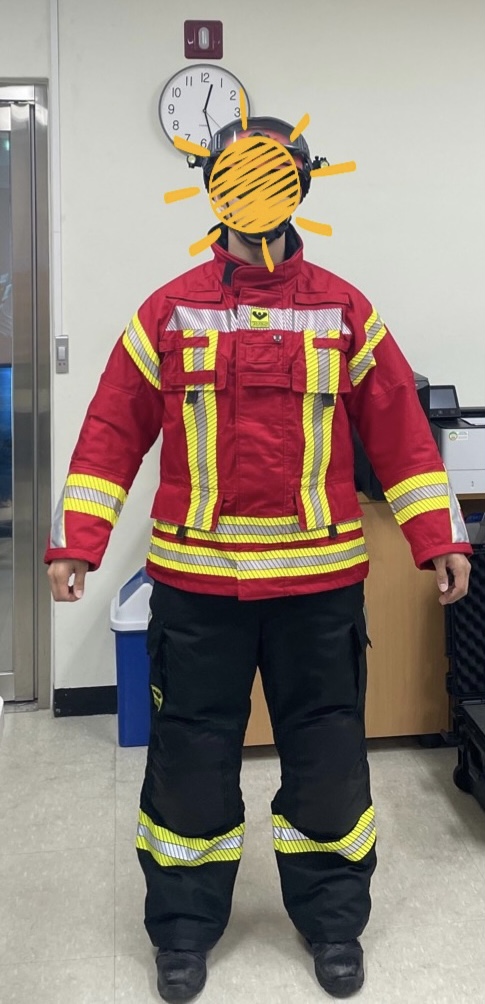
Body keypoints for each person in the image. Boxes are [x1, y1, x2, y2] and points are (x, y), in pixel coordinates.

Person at [46, 117, 471, 1002]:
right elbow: (111, 428)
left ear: (301, 185)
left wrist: (437, 537)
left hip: (317, 587)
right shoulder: (167, 311)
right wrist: (79, 541)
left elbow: (399, 428)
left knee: (327, 761)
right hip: (197, 588)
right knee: (189, 762)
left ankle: (333, 924)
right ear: (213, 185)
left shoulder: (344, 311)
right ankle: (183, 930)